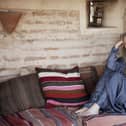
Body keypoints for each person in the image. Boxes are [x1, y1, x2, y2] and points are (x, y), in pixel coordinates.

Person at [75, 33, 126, 116]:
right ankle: (91, 105)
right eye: (125, 43)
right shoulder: (123, 60)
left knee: (116, 76)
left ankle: (95, 106)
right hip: (119, 95)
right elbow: (110, 65)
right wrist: (115, 47)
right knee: (108, 71)